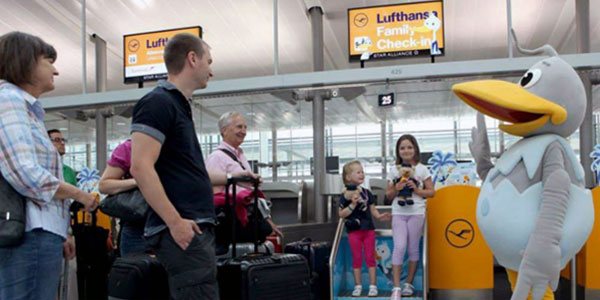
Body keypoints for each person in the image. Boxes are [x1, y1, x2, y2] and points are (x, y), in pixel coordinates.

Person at [129, 33, 255, 299]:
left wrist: (234, 176)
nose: (211, 70)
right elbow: (140, 167)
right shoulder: (158, 102)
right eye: (208, 61)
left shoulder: (179, 106)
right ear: (192, 58)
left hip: (193, 225)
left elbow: (187, 171)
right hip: (182, 227)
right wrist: (174, 222)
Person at [0, 31, 97, 300]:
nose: (55, 71)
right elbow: (24, 172)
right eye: (48, 61)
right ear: (25, 62)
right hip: (28, 236)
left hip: (38, 234)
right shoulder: (9, 101)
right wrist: (79, 194)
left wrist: (62, 229)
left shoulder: (27, 109)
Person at [205, 111, 283, 240]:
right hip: (231, 221)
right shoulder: (217, 157)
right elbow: (214, 195)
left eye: (245, 127)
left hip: (245, 216)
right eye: (239, 127)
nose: (244, 131)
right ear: (224, 130)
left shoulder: (239, 156)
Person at [385, 134, 434, 300]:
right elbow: (388, 195)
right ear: (398, 151)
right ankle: (396, 287)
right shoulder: (393, 170)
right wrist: (397, 188)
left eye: (409, 147)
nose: (406, 151)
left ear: (415, 149)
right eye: (402, 148)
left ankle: (409, 283)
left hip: (417, 212)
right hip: (398, 213)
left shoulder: (422, 169)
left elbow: (431, 192)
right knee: (399, 247)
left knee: (413, 248)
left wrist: (417, 190)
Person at [339, 160, 390, 297]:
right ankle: (358, 286)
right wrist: (352, 205)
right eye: (358, 172)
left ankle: (373, 286)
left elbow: (372, 209)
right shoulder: (344, 195)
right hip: (354, 231)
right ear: (348, 177)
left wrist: (379, 217)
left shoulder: (367, 193)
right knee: (356, 258)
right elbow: (341, 214)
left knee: (370, 257)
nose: (362, 174)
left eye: (362, 172)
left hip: (368, 230)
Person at [98, 139, 146, 256]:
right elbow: (104, 186)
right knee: (134, 270)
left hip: (173, 223)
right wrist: (138, 181)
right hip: (137, 224)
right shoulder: (129, 148)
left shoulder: (177, 146)